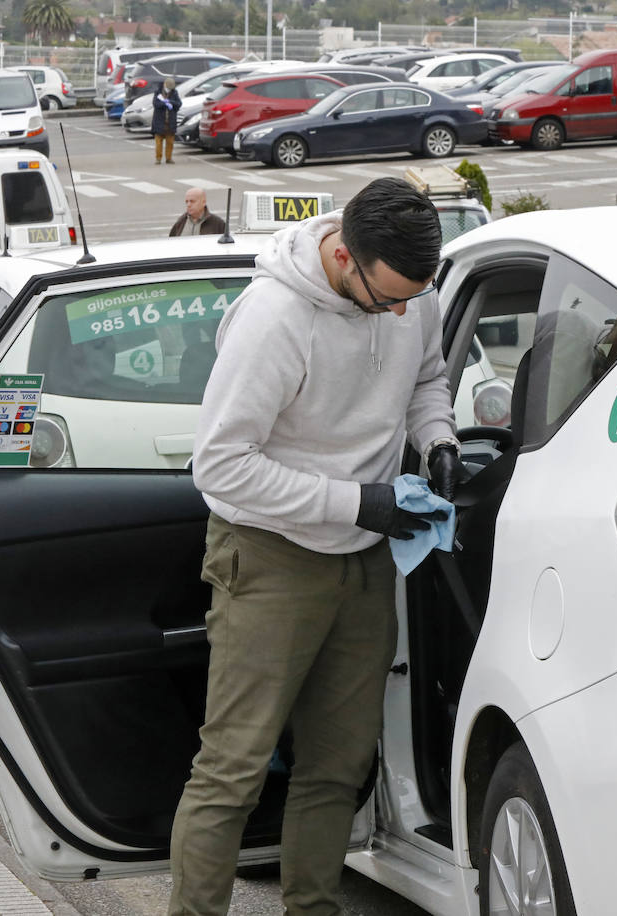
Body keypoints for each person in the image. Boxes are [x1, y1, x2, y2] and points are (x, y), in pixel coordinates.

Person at [170, 177, 465, 916]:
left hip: (367, 555)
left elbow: (427, 378)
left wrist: (437, 440)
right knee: (233, 769)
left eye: (412, 297)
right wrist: (357, 502)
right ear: (342, 255)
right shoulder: (275, 318)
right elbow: (222, 463)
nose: (400, 312)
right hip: (269, 555)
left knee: (338, 767)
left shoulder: (410, 291)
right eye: (386, 297)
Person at [153, 77, 182, 164]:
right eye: (168, 88)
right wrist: (164, 103)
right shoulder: (158, 92)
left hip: (170, 122)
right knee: (158, 142)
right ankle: (158, 158)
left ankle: (169, 158)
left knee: (170, 142)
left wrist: (171, 102)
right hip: (159, 122)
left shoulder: (174, 93)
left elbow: (179, 104)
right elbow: (155, 104)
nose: (169, 90)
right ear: (165, 85)